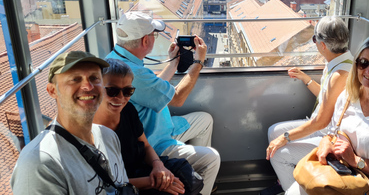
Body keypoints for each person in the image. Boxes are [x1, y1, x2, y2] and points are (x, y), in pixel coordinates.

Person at [286, 36, 369, 195]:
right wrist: (326, 142)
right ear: (356, 65)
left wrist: (356, 161)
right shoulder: (348, 97)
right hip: (340, 176)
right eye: (363, 63)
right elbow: (333, 132)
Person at [106, 11, 220, 195]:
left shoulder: (117, 59)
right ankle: (200, 185)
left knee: (204, 120)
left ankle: (196, 180)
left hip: (164, 126)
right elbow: (178, 99)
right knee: (212, 158)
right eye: (153, 34)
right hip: (155, 140)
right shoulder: (133, 72)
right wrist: (198, 62)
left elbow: (153, 87)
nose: (154, 38)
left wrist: (173, 63)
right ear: (145, 41)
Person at [11, 51, 130, 194]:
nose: (88, 86)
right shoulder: (39, 163)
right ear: (52, 91)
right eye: (75, 79)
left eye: (94, 78)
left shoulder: (108, 137)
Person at [265, 16, 353, 192]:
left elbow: (321, 122)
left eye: (315, 39)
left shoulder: (340, 74)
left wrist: (285, 138)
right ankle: (287, 180)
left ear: (323, 45)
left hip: (327, 134)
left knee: (278, 153)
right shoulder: (340, 61)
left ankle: (295, 190)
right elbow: (326, 96)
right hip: (321, 125)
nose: (314, 43)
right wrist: (306, 79)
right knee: (273, 131)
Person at [94, 58, 186, 195]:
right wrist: (153, 182)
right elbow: (104, 184)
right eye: (112, 91)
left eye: (127, 91)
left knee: (186, 177)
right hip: (122, 188)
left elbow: (146, 145)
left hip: (141, 172)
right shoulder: (89, 130)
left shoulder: (128, 110)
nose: (120, 98)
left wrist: (158, 165)